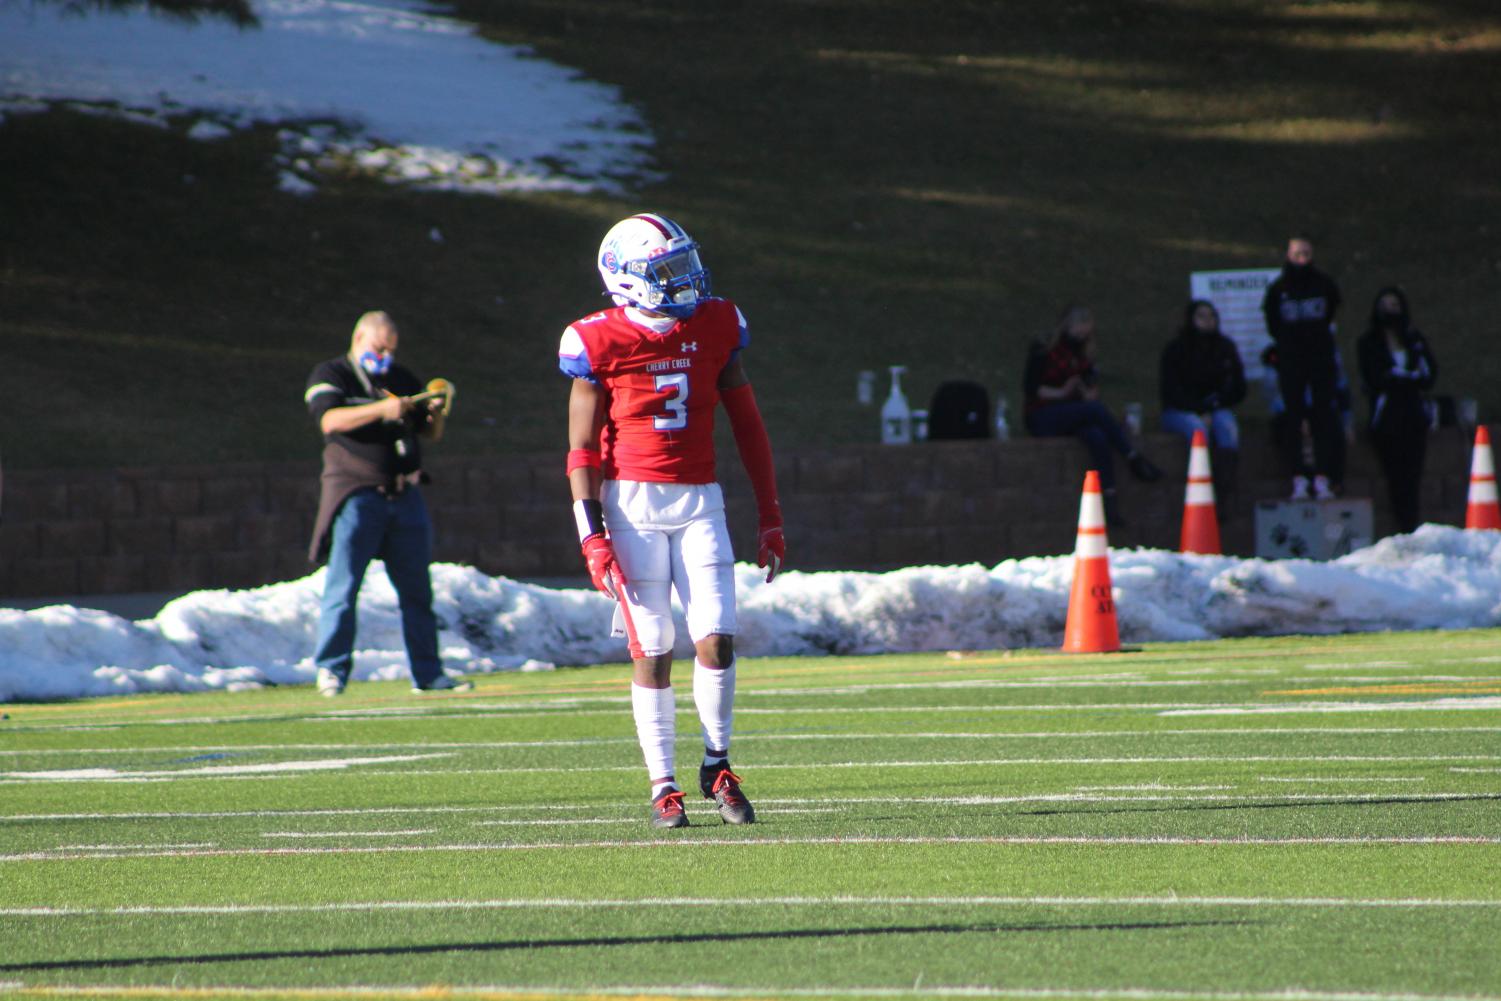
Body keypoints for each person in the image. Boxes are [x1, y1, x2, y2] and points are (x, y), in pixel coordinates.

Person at [558, 212, 785, 830]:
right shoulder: (597, 341)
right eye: (666, 269)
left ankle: (718, 763)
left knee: (716, 637)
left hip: (699, 499)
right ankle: (664, 784)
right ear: (627, 279)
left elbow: (749, 427)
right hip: (630, 504)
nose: (684, 279)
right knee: (653, 648)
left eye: (682, 263)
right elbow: (580, 450)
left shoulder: (715, 324)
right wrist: (591, 533)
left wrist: (770, 516)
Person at [303, 310, 471, 697]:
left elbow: (429, 432)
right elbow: (329, 420)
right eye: (380, 347)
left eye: (391, 349)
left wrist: (436, 409)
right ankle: (332, 670)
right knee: (343, 587)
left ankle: (428, 674)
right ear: (360, 337)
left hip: (404, 494)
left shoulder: (399, 377)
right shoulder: (333, 374)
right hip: (357, 494)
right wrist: (382, 409)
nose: (385, 356)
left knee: (417, 591)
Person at [1023, 305, 1162, 526]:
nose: (1081, 336)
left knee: (1097, 437)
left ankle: (1110, 502)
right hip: (1043, 414)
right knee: (1095, 411)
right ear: (1068, 326)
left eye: (1085, 333)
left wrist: (1086, 391)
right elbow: (1032, 389)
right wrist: (1063, 391)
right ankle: (1133, 457)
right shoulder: (1045, 348)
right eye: (1078, 331)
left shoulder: (1083, 354)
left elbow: (1090, 388)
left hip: (1075, 413)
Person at [1261, 235, 1343, 500]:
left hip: (1320, 359)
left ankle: (1322, 477)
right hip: (1291, 359)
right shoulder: (1278, 288)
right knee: (1293, 416)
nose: (1302, 259)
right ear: (1288, 254)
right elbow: (1273, 323)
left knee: (1324, 415)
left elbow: (1331, 310)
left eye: (1306, 253)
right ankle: (1297, 477)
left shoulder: (1323, 284)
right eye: (1297, 253)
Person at [1356, 286, 1438, 534]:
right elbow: (1375, 378)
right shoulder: (1370, 342)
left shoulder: (1414, 339)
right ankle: (1400, 526)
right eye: (1386, 305)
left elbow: (1428, 375)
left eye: (1395, 304)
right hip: (1388, 418)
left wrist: (1402, 378)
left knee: (1413, 475)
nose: (1391, 310)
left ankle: (1410, 525)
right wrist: (1402, 379)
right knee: (1395, 477)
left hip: (1413, 415)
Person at [1159, 299, 1247, 506]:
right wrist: (1198, 409)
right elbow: (1171, 391)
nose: (1207, 321)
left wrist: (1212, 406)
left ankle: (1225, 491)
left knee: (1227, 427)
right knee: (1197, 430)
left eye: (1211, 316)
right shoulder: (1176, 349)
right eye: (1201, 316)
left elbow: (1238, 388)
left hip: (1215, 406)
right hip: (1180, 409)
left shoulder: (1225, 348)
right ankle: (1203, 483)